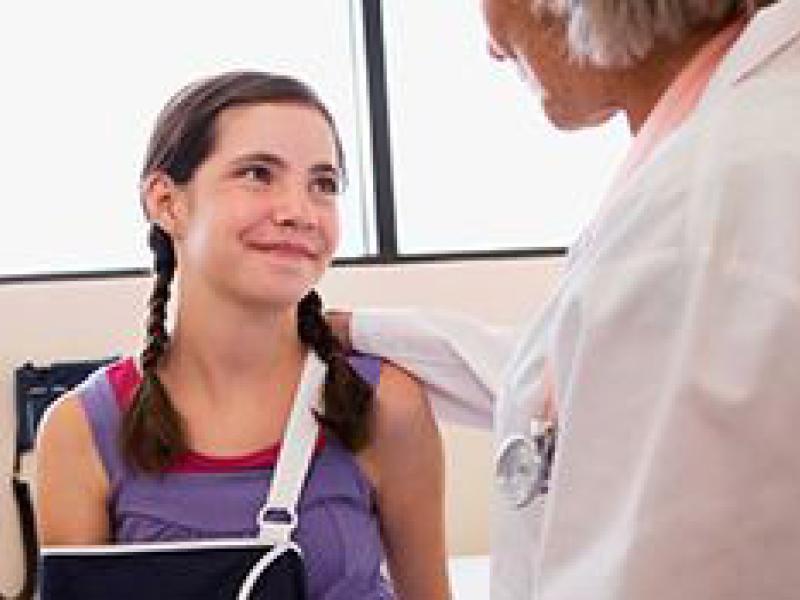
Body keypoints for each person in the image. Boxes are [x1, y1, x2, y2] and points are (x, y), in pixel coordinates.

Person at [332, 0, 800, 598]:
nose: (492, 45)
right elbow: (576, 383)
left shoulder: (707, 214)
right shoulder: (722, 157)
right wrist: (359, 329)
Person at [35, 71, 450, 600]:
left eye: (322, 184)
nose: (298, 211)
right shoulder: (83, 430)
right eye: (258, 173)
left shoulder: (387, 405)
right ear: (167, 202)